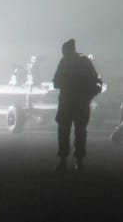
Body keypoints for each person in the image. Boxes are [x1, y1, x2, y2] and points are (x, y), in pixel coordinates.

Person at [52, 38, 101, 171]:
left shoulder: (64, 62)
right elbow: (96, 81)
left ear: (66, 50)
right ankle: (79, 161)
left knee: (63, 132)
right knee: (80, 132)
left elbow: (56, 82)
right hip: (82, 103)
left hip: (66, 103)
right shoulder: (85, 61)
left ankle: (63, 161)